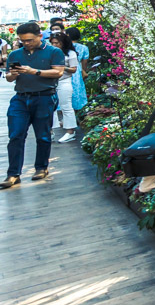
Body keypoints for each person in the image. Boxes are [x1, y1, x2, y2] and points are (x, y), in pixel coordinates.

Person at [2, 22, 65, 188]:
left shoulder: (54, 51)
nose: (26, 43)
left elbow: (58, 72)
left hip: (44, 96)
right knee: (15, 135)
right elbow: (8, 77)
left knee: (42, 135)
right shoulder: (15, 54)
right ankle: (13, 173)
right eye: (23, 40)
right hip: (21, 98)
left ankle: (41, 167)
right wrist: (13, 74)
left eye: (30, 40)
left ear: (39, 36)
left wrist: (34, 71)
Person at [48, 31, 79, 143]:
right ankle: (50, 131)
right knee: (50, 107)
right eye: (53, 43)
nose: (55, 45)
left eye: (57, 43)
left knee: (66, 105)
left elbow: (73, 69)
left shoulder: (70, 53)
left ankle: (70, 131)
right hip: (50, 81)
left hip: (64, 81)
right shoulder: (49, 53)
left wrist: (61, 67)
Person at [65, 27, 89, 112]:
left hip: (67, 68)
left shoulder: (65, 47)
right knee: (77, 88)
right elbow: (84, 62)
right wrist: (83, 70)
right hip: (77, 68)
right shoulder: (84, 47)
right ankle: (78, 108)